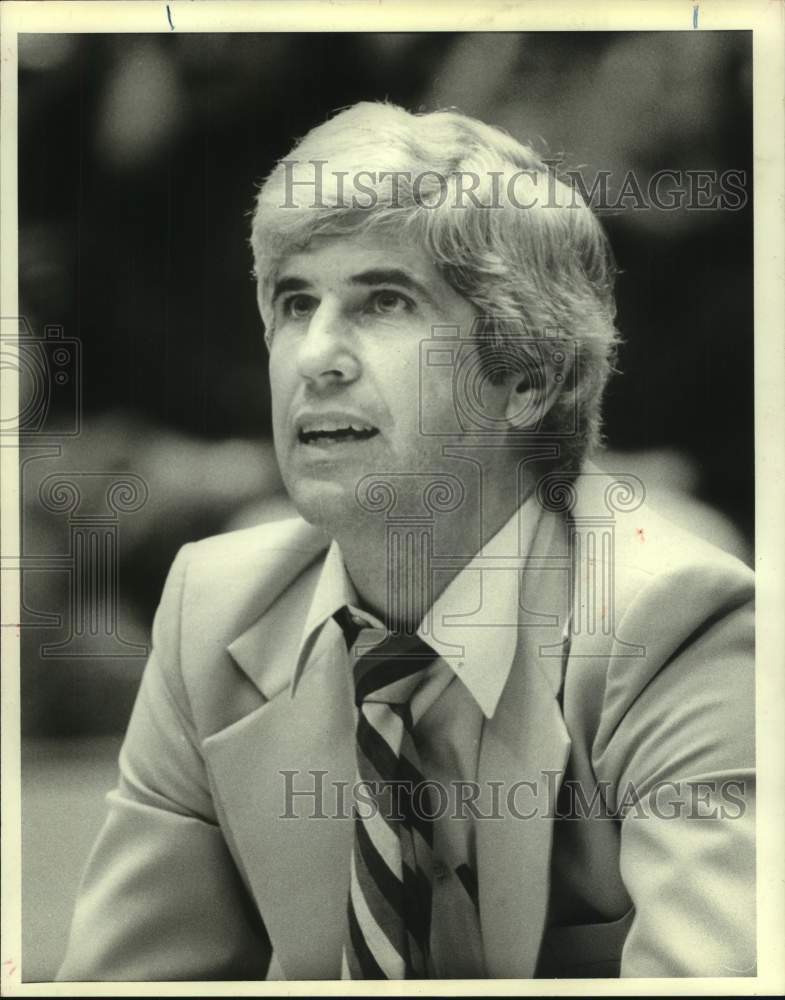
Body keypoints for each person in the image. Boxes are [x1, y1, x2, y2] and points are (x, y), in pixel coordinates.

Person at [58, 102, 755, 981]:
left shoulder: (675, 622)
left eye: (384, 302)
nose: (316, 356)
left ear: (525, 380)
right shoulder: (214, 610)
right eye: (295, 300)